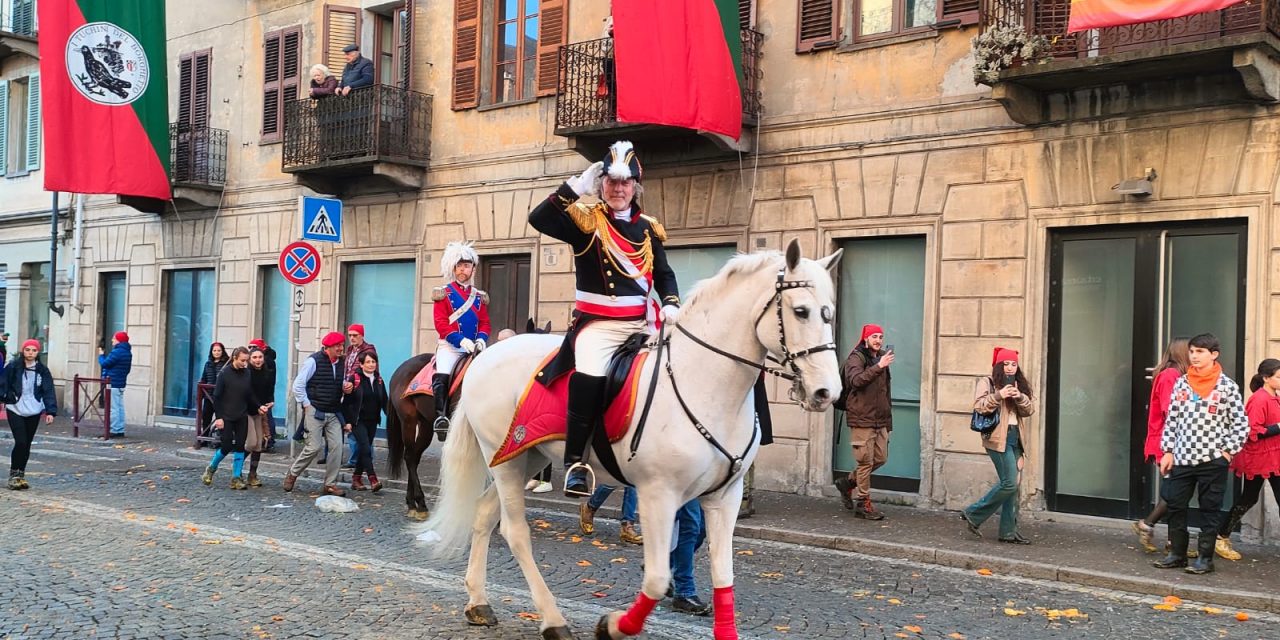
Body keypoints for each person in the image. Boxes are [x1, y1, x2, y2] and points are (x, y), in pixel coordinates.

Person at [528, 140, 680, 497]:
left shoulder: (648, 228)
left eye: (625, 183)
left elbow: (664, 274)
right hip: (598, 326)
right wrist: (573, 188)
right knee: (590, 377)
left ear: (635, 187)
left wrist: (671, 301)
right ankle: (576, 463)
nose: (618, 189)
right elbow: (539, 218)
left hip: (642, 323)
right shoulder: (586, 221)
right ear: (601, 185)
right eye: (611, 182)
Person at [1154, 333, 1249, 575]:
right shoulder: (1182, 382)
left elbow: (1241, 424)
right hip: (1182, 458)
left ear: (1214, 355)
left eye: (1200, 352)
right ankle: (1177, 553)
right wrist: (1167, 451)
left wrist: (1227, 452)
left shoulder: (1227, 386)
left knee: (1210, 509)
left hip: (1212, 460)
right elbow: (1172, 420)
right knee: (1175, 505)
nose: (1194, 356)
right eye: (1192, 351)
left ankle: (1205, 559)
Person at [960, 348, 1036, 544]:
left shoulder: (1019, 384)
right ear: (998, 365)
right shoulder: (988, 382)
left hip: (1015, 438)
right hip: (996, 438)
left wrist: (1019, 396)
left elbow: (1029, 410)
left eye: (1014, 364)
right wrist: (999, 395)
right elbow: (979, 406)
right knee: (1009, 483)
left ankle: (1008, 532)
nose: (1010, 368)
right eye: (1006, 364)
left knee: (1013, 486)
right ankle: (973, 513)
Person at [1214, 358, 1280, 560]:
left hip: (1272, 456)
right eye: (1278, 376)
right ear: (1266, 378)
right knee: (1248, 498)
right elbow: (1252, 431)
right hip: (1259, 458)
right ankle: (1220, 537)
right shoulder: (1259, 399)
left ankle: (1220, 536)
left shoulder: (1274, 396)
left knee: (1249, 498)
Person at [1133, 338, 1191, 554]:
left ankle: (1170, 540)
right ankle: (1149, 526)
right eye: (1191, 351)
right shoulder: (1170, 375)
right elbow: (1170, 410)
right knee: (1176, 491)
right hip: (1168, 441)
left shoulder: (1175, 374)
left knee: (1177, 492)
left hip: (1173, 439)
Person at [431, 241, 491, 437]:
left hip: (473, 347)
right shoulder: (444, 294)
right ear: (453, 268)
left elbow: (485, 323)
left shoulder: (478, 297)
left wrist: (481, 339)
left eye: (467, 265)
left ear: (473, 268)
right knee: (443, 373)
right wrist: (460, 340)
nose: (464, 269)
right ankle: (441, 417)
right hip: (450, 347)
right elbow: (441, 324)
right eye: (460, 265)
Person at [834, 324, 894, 520]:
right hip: (861, 418)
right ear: (866, 338)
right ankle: (863, 503)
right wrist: (878, 367)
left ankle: (848, 483)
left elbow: (886, 392)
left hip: (880, 419)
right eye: (874, 336)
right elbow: (856, 381)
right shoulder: (856, 357)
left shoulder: (882, 357)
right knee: (865, 462)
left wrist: (888, 422)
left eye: (881, 336)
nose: (878, 340)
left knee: (881, 459)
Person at [285, 332, 348, 496]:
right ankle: (293, 473)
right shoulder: (313, 361)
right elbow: (298, 385)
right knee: (313, 447)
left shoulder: (342, 362)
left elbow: (337, 381)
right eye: (337, 346)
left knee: (337, 447)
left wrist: (345, 386)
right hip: (315, 409)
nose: (341, 348)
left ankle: (330, 484)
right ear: (328, 348)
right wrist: (306, 404)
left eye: (342, 345)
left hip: (334, 410)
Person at [202, 347, 266, 490]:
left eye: (246, 360)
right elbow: (216, 397)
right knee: (226, 446)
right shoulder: (224, 374)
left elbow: (249, 394)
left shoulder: (247, 373)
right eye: (242, 360)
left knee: (240, 447)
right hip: (226, 416)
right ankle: (211, 468)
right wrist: (219, 418)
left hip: (241, 414)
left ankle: (236, 478)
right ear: (235, 358)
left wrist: (258, 406)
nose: (245, 363)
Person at [1, 339, 57, 490]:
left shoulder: (42, 370)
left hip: (34, 409)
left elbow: (48, 390)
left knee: (27, 444)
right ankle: (14, 475)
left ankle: (21, 474)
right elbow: (3, 382)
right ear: (23, 351)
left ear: (38, 352)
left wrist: (50, 411)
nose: (30, 353)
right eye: (28, 350)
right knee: (20, 442)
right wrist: (5, 397)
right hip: (15, 408)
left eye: (34, 350)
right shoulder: (14, 366)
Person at [342, 351, 387, 492]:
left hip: (373, 420)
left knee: (363, 449)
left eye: (373, 362)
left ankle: (356, 479)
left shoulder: (379, 380)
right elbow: (346, 403)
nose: (371, 364)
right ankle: (373, 479)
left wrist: (392, 417)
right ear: (361, 364)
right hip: (357, 420)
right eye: (368, 362)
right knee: (366, 448)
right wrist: (347, 421)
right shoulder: (354, 378)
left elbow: (385, 402)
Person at [342, 324, 377, 469]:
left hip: (362, 393)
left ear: (362, 335)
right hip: (349, 392)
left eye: (355, 335)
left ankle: (361, 459)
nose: (352, 338)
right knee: (352, 427)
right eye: (350, 335)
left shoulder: (368, 350)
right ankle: (358, 459)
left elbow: (364, 369)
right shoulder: (350, 350)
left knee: (363, 429)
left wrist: (352, 381)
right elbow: (347, 368)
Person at [668, 499, 711, 616]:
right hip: (685, 483)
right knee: (689, 526)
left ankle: (660, 566)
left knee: (701, 528)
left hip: (700, 484)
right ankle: (684, 592)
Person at [245, 346, 276, 487]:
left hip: (260, 411)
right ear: (250, 359)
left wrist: (270, 402)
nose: (258, 360)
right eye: (255, 357)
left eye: (260, 357)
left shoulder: (266, 373)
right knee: (251, 443)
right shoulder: (246, 374)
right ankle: (236, 469)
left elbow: (269, 390)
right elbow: (249, 393)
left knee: (258, 445)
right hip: (246, 410)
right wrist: (259, 405)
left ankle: (252, 474)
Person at [96, 331, 133, 439]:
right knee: (120, 407)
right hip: (121, 382)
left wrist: (101, 355)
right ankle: (120, 429)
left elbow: (105, 364)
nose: (112, 340)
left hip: (113, 383)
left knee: (114, 407)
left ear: (119, 340)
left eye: (114, 338)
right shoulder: (127, 352)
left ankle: (115, 430)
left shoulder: (117, 352)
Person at [248, 338, 280, 448]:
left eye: (254, 347)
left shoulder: (268, 363)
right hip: (250, 406)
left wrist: (270, 399)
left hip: (262, 401)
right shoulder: (247, 369)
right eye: (250, 347)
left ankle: (268, 440)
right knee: (251, 442)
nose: (258, 360)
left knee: (266, 421)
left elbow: (269, 383)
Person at [199, 342, 229, 442]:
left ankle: (222, 439)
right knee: (206, 416)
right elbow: (204, 378)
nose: (216, 352)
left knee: (221, 418)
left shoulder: (227, 364)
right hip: (209, 395)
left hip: (221, 397)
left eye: (219, 350)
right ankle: (205, 438)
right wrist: (202, 394)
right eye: (214, 350)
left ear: (222, 351)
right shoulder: (208, 364)